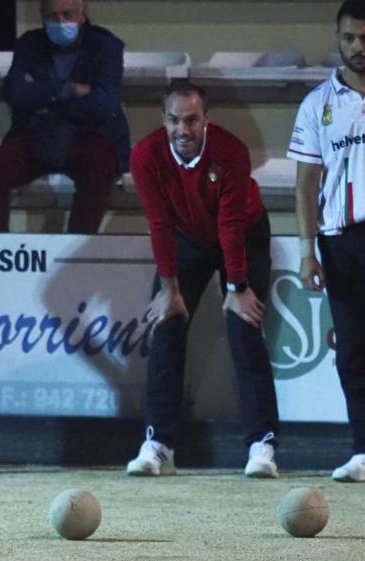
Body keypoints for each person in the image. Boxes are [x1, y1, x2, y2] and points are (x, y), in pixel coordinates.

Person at [125, 81, 281, 478]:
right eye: (175, 120)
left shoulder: (230, 151)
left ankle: (261, 445)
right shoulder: (146, 155)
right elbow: (158, 223)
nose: (184, 130)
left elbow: (230, 225)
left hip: (244, 233)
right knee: (167, 323)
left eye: (192, 120)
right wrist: (170, 291)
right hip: (186, 238)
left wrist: (237, 288)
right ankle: (159, 444)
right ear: (164, 120)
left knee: (244, 325)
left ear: (206, 119)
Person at [290, 0, 365, 483]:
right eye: (350, 38)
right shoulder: (317, 104)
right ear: (338, 38)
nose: (358, 47)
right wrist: (307, 249)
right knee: (351, 351)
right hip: (337, 240)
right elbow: (306, 183)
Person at [0, 0, 129, 234]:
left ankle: (76, 254)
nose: (60, 23)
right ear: (42, 16)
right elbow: (15, 93)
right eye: (52, 16)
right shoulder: (30, 44)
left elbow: (103, 104)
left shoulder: (106, 46)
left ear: (82, 12)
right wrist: (69, 90)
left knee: (98, 168)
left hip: (89, 133)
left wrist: (43, 97)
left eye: (67, 14)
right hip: (38, 133)